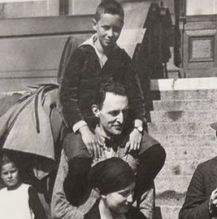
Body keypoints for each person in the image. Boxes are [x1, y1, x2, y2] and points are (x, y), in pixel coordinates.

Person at [59, 0, 165, 206]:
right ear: (94, 25)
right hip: (82, 126)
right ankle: (85, 206)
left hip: (115, 123)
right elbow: (66, 97)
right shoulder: (81, 55)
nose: (110, 34)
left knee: (155, 153)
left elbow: (136, 96)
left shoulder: (122, 58)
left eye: (116, 29)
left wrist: (137, 126)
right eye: (105, 27)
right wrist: (83, 129)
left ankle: (129, 193)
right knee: (80, 163)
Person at [51, 79, 156, 219]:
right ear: (96, 110)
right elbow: (58, 205)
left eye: (125, 112)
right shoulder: (78, 149)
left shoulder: (134, 149)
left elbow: (146, 203)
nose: (121, 119)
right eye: (113, 113)